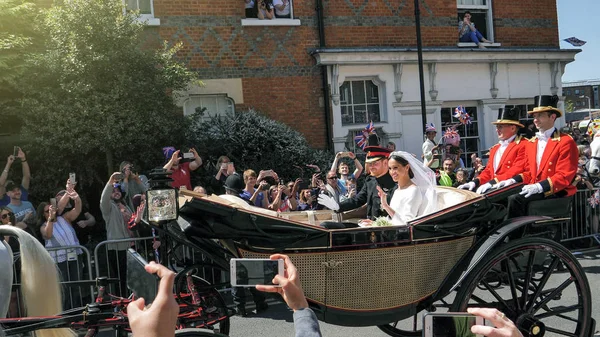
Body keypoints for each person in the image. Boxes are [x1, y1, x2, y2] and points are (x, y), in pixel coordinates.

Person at [495, 95, 579, 218]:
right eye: (534, 116)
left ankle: (514, 236)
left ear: (552, 116)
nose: (535, 119)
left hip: (556, 191)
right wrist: (512, 181)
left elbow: (564, 175)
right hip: (533, 187)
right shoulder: (532, 143)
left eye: (540, 115)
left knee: (515, 199)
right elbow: (529, 172)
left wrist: (539, 186)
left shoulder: (565, 141)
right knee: (499, 196)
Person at [458, 107, 527, 194]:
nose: (497, 130)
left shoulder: (523, 145)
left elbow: (516, 170)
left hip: (511, 188)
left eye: (500, 127)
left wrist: (492, 182)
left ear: (513, 128)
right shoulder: (495, 148)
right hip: (494, 188)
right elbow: (488, 171)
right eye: (497, 127)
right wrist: (475, 182)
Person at [322, 143, 395, 220]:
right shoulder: (370, 181)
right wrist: (338, 206)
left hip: (388, 227)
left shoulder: (395, 182)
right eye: (370, 163)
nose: (371, 167)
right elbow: (358, 200)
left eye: (375, 163)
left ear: (385, 163)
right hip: (371, 225)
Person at [377, 151, 438, 226]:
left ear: (407, 167)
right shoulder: (397, 190)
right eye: (390, 168)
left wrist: (386, 206)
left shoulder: (413, 190)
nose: (392, 172)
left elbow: (406, 223)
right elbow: (394, 219)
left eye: (395, 168)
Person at [100, 172, 135, 296]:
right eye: (113, 191)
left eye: (118, 190)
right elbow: (103, 199)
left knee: (131, 278)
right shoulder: (108, 208)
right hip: (116, 249)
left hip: (130, 247)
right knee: (120, 279)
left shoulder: (126, 206)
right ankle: (120, 303)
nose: (116, 192)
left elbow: (134, 223)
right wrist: (110, 182)